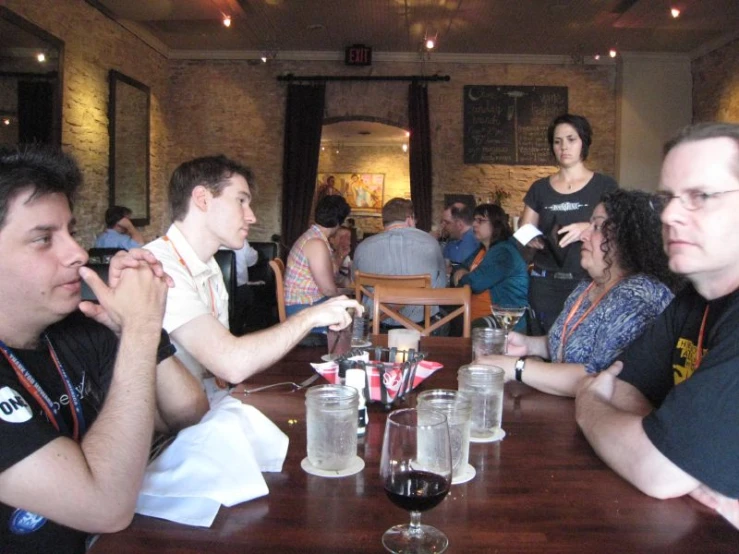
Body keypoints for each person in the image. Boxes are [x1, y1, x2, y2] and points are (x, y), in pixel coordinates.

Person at [0, 146, 207, 553]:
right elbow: (106, 507)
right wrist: (141, 329)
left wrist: (134, 327)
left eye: (71, 232)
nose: (77, 253)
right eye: (44, 238)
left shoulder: (73, 326)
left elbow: (186, 411)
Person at [575, 123, 739, 530]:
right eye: (666, 198)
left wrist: (589, 406)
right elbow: (624, 385)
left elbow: (657, 472)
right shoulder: (693, 296)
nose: (668, 214)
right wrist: (674, 446)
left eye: (700, 196)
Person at [144, 155, 360, 394]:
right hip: (174, 426)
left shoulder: (210, 266)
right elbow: (231, 364)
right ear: (202, 199)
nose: (252, 217)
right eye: (241, 201)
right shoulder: (158, 267)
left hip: (211, 401)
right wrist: (311, 316)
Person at [481, 189, 678, 396]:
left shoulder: (639, 296)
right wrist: (529, 345)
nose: (584, 234)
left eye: (597, 226)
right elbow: (571, 343)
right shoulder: (590, 284)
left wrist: (516, 367)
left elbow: (597, 376)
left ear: (626, 237)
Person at [521, 113, 618, 334]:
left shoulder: (604, 185)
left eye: (571, 139)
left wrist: (587, 227)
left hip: (588, 280)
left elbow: (618, 228)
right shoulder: (540, 188)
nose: (564, 146)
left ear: (583, 142)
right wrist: (531, 237)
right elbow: (524, 230)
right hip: (545, 282)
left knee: (582, 343)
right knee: (541, 344)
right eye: (557, 141)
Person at [353, 198, 446, 328]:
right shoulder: (430, 243)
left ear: (384, 222)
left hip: (375, 327)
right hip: (423, 327)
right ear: (409, 219)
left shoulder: (363, 247)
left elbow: (355, 282)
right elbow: (441, 287)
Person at [451, 203, 529, 332]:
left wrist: (462, 277)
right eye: (474, 220)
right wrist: (461, 272)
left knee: (466, 326)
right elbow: (460, 267)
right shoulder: (483, 249)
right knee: (452, 323)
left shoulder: (504, 252)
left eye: (480, 220)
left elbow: (476, 282)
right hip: (477, 315)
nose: (474, 224)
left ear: (496, 224)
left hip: (507, 318)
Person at [284, 195, 351, 317]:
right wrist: (347, 301)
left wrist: (340, 255)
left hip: (308, 303)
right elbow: (328, 290)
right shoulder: (316, 243)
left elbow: (331, 273)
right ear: (339, 221)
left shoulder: (314, 236)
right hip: (303, 308)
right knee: (354, 314)